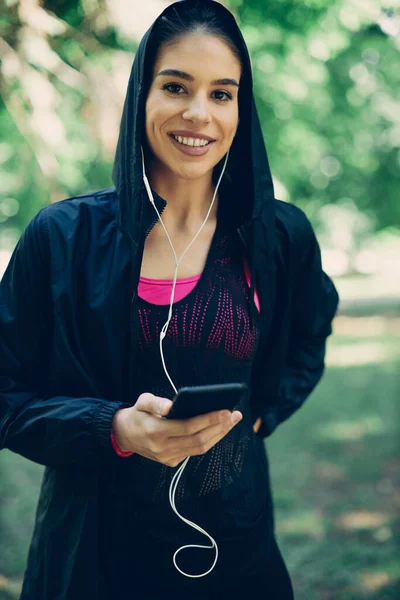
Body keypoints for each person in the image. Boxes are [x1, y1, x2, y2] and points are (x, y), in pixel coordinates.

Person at [0, 0, 339, 598]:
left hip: (235, 551)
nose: (198, 113)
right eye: (176, 86)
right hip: (93, 559)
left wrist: (263, 410)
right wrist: (115, 428)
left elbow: (309, 335)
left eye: (222, 93)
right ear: (141, 95)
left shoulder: (279, 237)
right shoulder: (61, 237)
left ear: (241, 107)